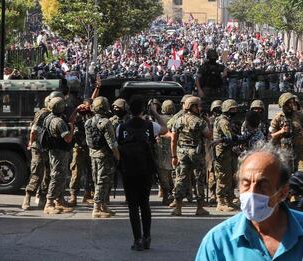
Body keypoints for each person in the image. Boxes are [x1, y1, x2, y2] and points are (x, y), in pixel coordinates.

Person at [196, 142, 303, 261]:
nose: (252, 193)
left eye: (263, 186)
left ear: (283, 192)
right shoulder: (218, 242)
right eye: (246, 184)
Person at [117, 97, 169, 251]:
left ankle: (137, 239)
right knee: (144, 204)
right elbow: (165, 129)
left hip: (128, 171)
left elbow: (117, 144)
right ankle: (147, 237)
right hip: (146, 170)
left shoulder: (122, 127)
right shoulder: (150, 125)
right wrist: (155, 113)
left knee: (133, 207)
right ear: (142, 111)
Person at [171, 96, 212, 216]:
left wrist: (173, 156)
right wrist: (208, 122)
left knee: (181, 178)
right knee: (199, 179)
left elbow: (173, 139)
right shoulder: (200, 122)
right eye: (198, 106)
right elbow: (209, 136)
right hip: (196, 153)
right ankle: (199, 208)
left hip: (182, 153)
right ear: (192, 106)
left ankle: (178, 207)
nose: (200, 108)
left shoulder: (178, 120)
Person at [85, 96, 119, 218]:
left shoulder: (88, 122)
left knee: (96, 180)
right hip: (104, 155)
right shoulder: (106, 122)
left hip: (93, 154)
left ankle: (103, 205)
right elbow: (112, 144)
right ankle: (96, 208)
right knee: (103, 181)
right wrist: (118, 156)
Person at [42, 97, 77, 214]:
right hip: (59, 152)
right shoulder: (58, 121)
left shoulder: (49, 117)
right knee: (57, 176)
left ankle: (59, 201)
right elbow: (68, 139)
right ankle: (49, 203)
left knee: (61, 176)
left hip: (55, 151)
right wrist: (72, 128)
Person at [21, 92, 56, 210]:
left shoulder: (55, 114)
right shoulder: (42, 113)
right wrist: (31, 143)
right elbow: (34, 130)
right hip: (39, 146)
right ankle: (27, 198)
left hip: (48, 147)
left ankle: (42, 198)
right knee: (37, 172)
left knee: (48, 173)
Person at [270, 93, 303, 172]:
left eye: (292, 102)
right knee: (286, 174)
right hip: (285, 153)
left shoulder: (298, 115)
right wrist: (281, 131)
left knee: (302, 173)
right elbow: (271, 136)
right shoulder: (277, 118)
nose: (292, 105)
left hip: (300, 151)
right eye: (289, 103)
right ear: (283, 104)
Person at [214, 99, 240, 212]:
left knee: (230, 177)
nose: (235, 111)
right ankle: (221, 201)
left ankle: (229, 200)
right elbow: (230, 137)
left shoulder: (227, 120)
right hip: (222, 153)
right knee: (223, 177)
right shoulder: (223, 121)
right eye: (232, 109)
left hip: (228, 152)